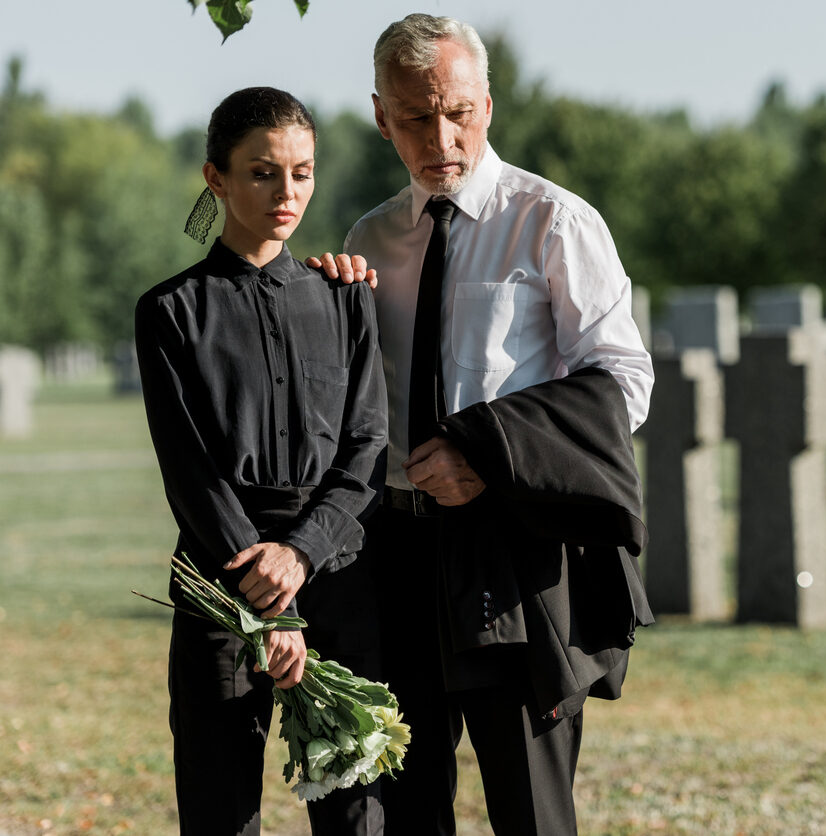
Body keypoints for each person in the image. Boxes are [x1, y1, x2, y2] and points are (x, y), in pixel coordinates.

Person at [315, 13, 655, 836]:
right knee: (403, 806)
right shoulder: (370, 240)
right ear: (380, 115)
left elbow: (624, 382)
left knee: (531, 812)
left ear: (488, 106)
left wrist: (486, 453)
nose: (442, 136)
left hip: (515, 549)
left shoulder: (554, 222)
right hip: (397, 557)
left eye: (459, 110)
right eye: (416, 115)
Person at [134, 87, 387, 836]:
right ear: (216, 178)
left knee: (357, 816)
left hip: (340, 575)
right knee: (221, 814)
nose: (287, 193)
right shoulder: (170, 312)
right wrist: (264, 597)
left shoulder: (347, 299)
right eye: (262, 173)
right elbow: (191, 472)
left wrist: (302, 556)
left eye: (302, 173)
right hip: (221, 580)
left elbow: (366, 446)